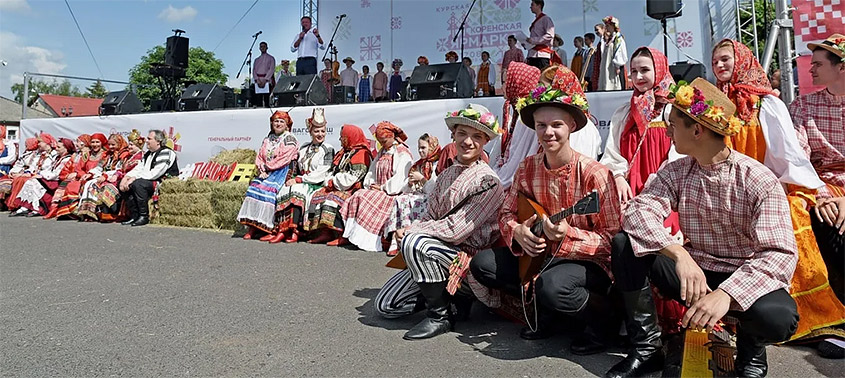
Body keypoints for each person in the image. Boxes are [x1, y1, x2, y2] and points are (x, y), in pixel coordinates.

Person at [606, 78, 799, 378]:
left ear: (697, 129)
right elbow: (636, 212)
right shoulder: (677, 171)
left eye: (673, 125)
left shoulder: (758, 179)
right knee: (624, 244)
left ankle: (751, 356)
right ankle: (647, 348)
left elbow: (779, 254)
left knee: (778, 317)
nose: (668, 132)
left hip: (743, 275)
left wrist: (727, 294)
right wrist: (680, 256)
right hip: (695, 274)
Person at [470, 71, 622, 355]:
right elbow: (506, 213)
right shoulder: (527, 167)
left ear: (572, 126)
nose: (548, 132)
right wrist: (518, 231)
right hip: (541, 254)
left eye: (556, 125)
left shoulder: (596, 175)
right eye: (541, 126)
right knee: (482, 264)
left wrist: (570, 235)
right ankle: (551, 315)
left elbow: (612, 240)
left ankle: (604, 322)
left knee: (552, 287)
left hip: (588, 263)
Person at [713, 38, 844, 341]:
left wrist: (786, 191)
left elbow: (788, 157)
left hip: (771, 184)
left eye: (726, 59)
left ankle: (809, 311)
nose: (719, 66)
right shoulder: (711, 102)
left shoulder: (766, 103)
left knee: (791, 214)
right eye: (715, 60)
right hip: (728, 188)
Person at [375, 103, 505, 340]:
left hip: (469, 260)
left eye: (476, 136)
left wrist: (412, 229)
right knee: (385, 306)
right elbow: (430, 215)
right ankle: (449, 300)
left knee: (415, 243)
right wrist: (416, 228)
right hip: (440, 253)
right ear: (453, 134)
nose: (468, 141)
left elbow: (456, 230)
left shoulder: (488, 182)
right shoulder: (446, 174)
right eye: (463, 133)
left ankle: (440, 316)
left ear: (485, 141)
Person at [600, 47, 686, 333]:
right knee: (626, 247)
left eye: (645, 70)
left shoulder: (674, 108)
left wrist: (658, 185)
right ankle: (639, 322)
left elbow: (680, 154)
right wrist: (620, 177)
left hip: (666, 190)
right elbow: (612, 153)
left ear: (659, 69)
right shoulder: (625, 110)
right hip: (630, 188)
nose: (638, 77)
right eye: (633, 71)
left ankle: (672, 318)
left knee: (663, 242)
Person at [789, 33, 845, 304]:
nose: (810, 69)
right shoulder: (803, 105)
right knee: (809, 214)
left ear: (841, 67)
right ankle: (826, 306)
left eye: (818, 64)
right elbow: (798, 160)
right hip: (822, 186)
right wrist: (823, 196)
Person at [341, 121, 413, 251]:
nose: (382, 144)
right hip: (380, 190)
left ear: (392, 136)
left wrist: (383, 188)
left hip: (393, 193)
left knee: (364, 197)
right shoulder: (383, 152)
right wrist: (371, 184)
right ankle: (354, 236)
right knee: (359, 195)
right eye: (380, 141)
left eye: (384, 141)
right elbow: (372, 171)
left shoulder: (402, 153)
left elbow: (400, 179)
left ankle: (373, 239)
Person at [273, 108, 335, 244]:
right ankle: (282, 230)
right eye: (316, 131)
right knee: (283, 189)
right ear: (310, 132)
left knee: (297, 192)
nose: (320, 134)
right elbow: (296, 165)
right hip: (301, 180)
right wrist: (291, 177)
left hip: (315, 182)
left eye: (322, 131)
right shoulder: (304, 147)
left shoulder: (328, 149)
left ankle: (296, 231)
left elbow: (322, 172)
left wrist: (299, 179)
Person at [305, 124, 373, 245]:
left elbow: (354, 177)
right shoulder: (343, 152)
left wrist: (334, 182)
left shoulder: (362, 154)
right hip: (337, 185)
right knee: (318, 195)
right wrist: (329, 181)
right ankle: (325, 232)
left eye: (343, 137)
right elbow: (332, 170)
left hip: (351, 188)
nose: (340, 140)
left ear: (350, 137)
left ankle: (342, 234)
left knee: (332, 199)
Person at [239, 111, 299, 239]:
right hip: (267, 171)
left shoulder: (290, 139)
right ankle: (253, 227)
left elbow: (284, 159)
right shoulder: (268, 139)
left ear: (287, 125)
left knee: (269, 192)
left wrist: (268, 167)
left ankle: (268, 228)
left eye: (281, 121)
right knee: (253, 188)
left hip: (282, 171)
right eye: (276, 121)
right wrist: (262, 169)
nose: (278, 124)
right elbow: (260, 156)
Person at [384, 134, 442, 256]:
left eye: (423, 148)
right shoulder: (418, 165)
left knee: (417, 202)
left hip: (430, 198)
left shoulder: (437, 164)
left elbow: (434, 190)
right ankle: (396, 238)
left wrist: (422, 179)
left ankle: (409, 238)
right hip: (417, 195)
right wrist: (410, 184)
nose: (420, 151)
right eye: (419, 148)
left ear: (432, 147)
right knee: (401, 199)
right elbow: (406, 189)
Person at [488, 62, 542, 188]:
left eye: (507, 81)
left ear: (517, 84)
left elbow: (516, 164)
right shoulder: (518, 112)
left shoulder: (526, 119)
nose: (503, 86)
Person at [119, 130, 179, 227]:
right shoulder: (148, 154)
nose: (146, 141)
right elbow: (139, 168)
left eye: (149, 139)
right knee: (122, 184)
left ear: (158, 141)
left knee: (138, 184)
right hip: (148, 179)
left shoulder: (166, 152)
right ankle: (134, 215)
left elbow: (156, 173)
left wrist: (134, 179)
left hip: (162, 182)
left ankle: (144, 216)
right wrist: (126, 177)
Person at [76, 133, 133, 221]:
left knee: (95, 185)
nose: (110, 147)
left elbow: (120, 169)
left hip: (117, 177)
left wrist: (105, 176)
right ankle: (88, 212)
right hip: (106, 176)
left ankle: (104, 212)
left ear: (119, 144)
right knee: (89, 183)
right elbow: (99, 167)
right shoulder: (107, 154)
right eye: (109, 144)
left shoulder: (123, 155)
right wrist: (90, 174)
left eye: (113, 145)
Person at [12, 138, 74, 217]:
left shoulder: (67, 159)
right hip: (50, 178)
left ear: (66, 148)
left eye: (59, 147)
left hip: (56, 180)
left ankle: (37, 208)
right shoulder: (58, 158)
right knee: (30, 181)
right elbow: (49, 169)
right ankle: (25, 206)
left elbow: (56, 174)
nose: (56, 149)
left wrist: (41, 174)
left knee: (34, 182)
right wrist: (38, 173)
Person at [54, 133, 108, 219]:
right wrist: (83, 175)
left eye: (97, 142)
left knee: (82, 186)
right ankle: (71, 212)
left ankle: (88, 211)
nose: (95, 145)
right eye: (93, 142)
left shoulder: (105, 155)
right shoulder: (87, 155)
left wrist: (90, 176)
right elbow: (79, 168)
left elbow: (104, 168)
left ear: (102, 143)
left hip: (98, 177)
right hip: (84, 177)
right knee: (71, 185)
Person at [8, 133, 58, 216]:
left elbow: (51, 169)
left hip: (47, 177)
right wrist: (26, 172)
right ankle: (24, 206)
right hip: (38, 175)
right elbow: (32, 166)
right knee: (22, 179)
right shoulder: (39, 154)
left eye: (40, 142)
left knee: (28, 181)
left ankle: (34, 207)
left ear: (46, 142)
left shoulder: (54, 155)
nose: (38, 144)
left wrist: (36, 173)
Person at [0, 137, 43, 208]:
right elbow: (18, 164)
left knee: (18, 180)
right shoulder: (25, 154)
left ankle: (16, 204)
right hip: (19, 172)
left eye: (27, 144)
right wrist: (13, 172)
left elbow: (32, 167)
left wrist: (22, 173)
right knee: (3, 180)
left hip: (27, 174)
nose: (26, 146)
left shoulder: (36, 155)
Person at [597, 16, 628, 91]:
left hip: (613, 67)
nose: (606, 27)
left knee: (613, 83)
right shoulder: (609, 39)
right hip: (607, 65)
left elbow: (620, 52)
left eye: (607, 26)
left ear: (613, 26)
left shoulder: (618, 38)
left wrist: (617, 65)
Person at [525, 0, 556, 69]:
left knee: (542, 77)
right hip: (532, 54)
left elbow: (550, 35)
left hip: (542, 55)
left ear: (539, 5)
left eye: (532, 5)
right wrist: (527, 44)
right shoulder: (536, 21)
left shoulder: (545, 19)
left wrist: (533, 40)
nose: (530, 7)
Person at [253, 41, 276, 108]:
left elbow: (271, 69)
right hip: (258, 80)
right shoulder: (256, 60)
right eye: (261, 47)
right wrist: (257, 79)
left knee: (266, 99)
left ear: (267, 48)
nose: (262, 48)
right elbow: (254, 70)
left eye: (264, 46)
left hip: (267, 80)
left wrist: (265, 80)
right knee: (258, 100)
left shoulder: (271, 58)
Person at [590, 24, 605, 91]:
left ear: (603, 29)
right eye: (595, 30)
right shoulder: (601, 40)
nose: (596, 32)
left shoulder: (604, 40)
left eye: (597, 30)